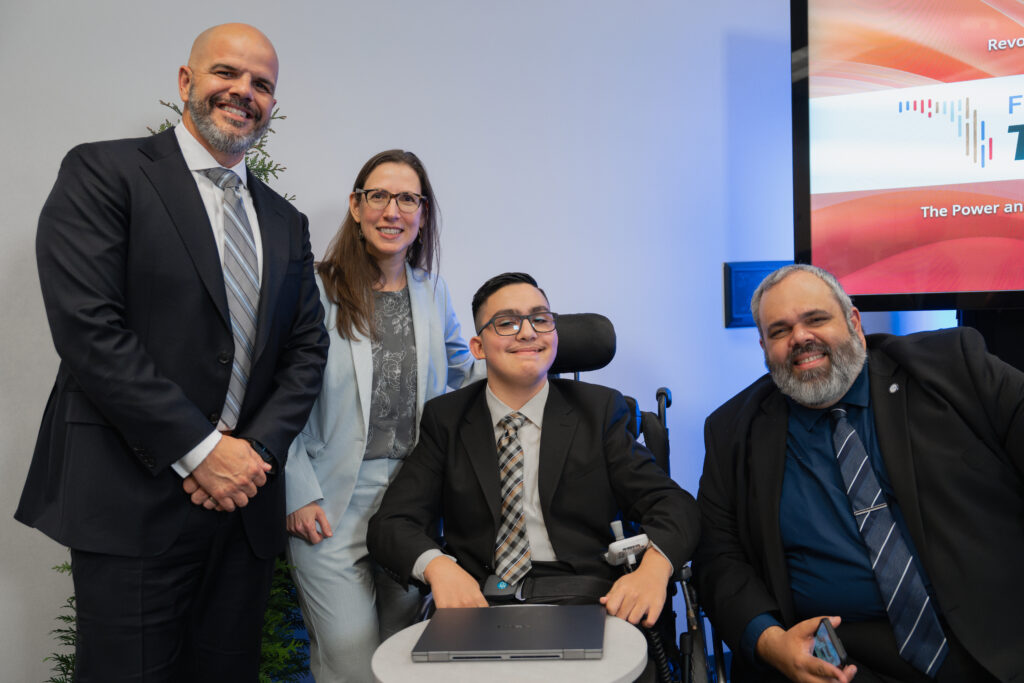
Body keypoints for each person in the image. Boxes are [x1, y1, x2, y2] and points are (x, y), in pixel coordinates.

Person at [14, 24, 328, 681]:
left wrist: (254, 454)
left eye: (262, 84)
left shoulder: (285, 221)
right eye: (227, 74)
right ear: (185, 83)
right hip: (132, 499)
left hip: (243, 509)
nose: (243, 91)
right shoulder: (104, 172)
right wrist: (203, 449)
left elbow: (307, 349)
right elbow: (88, 328)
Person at [695, 263, 1023, 683]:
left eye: (815, 319)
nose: (800, 337)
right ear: (763, 346)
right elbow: (718, 559)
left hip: (997, 631)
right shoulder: (731, 431)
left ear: (853, 322)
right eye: (779, 331)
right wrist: (770, 641)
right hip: (846, 662)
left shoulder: (954, 368)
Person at [367, 272, 699, 630]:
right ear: (478, 347)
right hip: (479, 602)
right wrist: (439, 567)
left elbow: (674, 505)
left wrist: (652, 569)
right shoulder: (446, 419)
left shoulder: (599, 411)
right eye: (507, 322)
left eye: (540, 319)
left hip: (587, 600)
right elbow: (391, 524)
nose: (527, 332)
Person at [284, 149, 482, 682]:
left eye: (408, 199)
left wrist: (520, 356)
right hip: (329, 502)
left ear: (422, 215)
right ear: (356, 205)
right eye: (379, 196)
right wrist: (296, 487)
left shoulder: (432, 291)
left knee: (405, 659)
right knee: (350, 660)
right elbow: (278, 392)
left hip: (412, 503)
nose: (392, 210)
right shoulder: (314, 287)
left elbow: (462, 374)